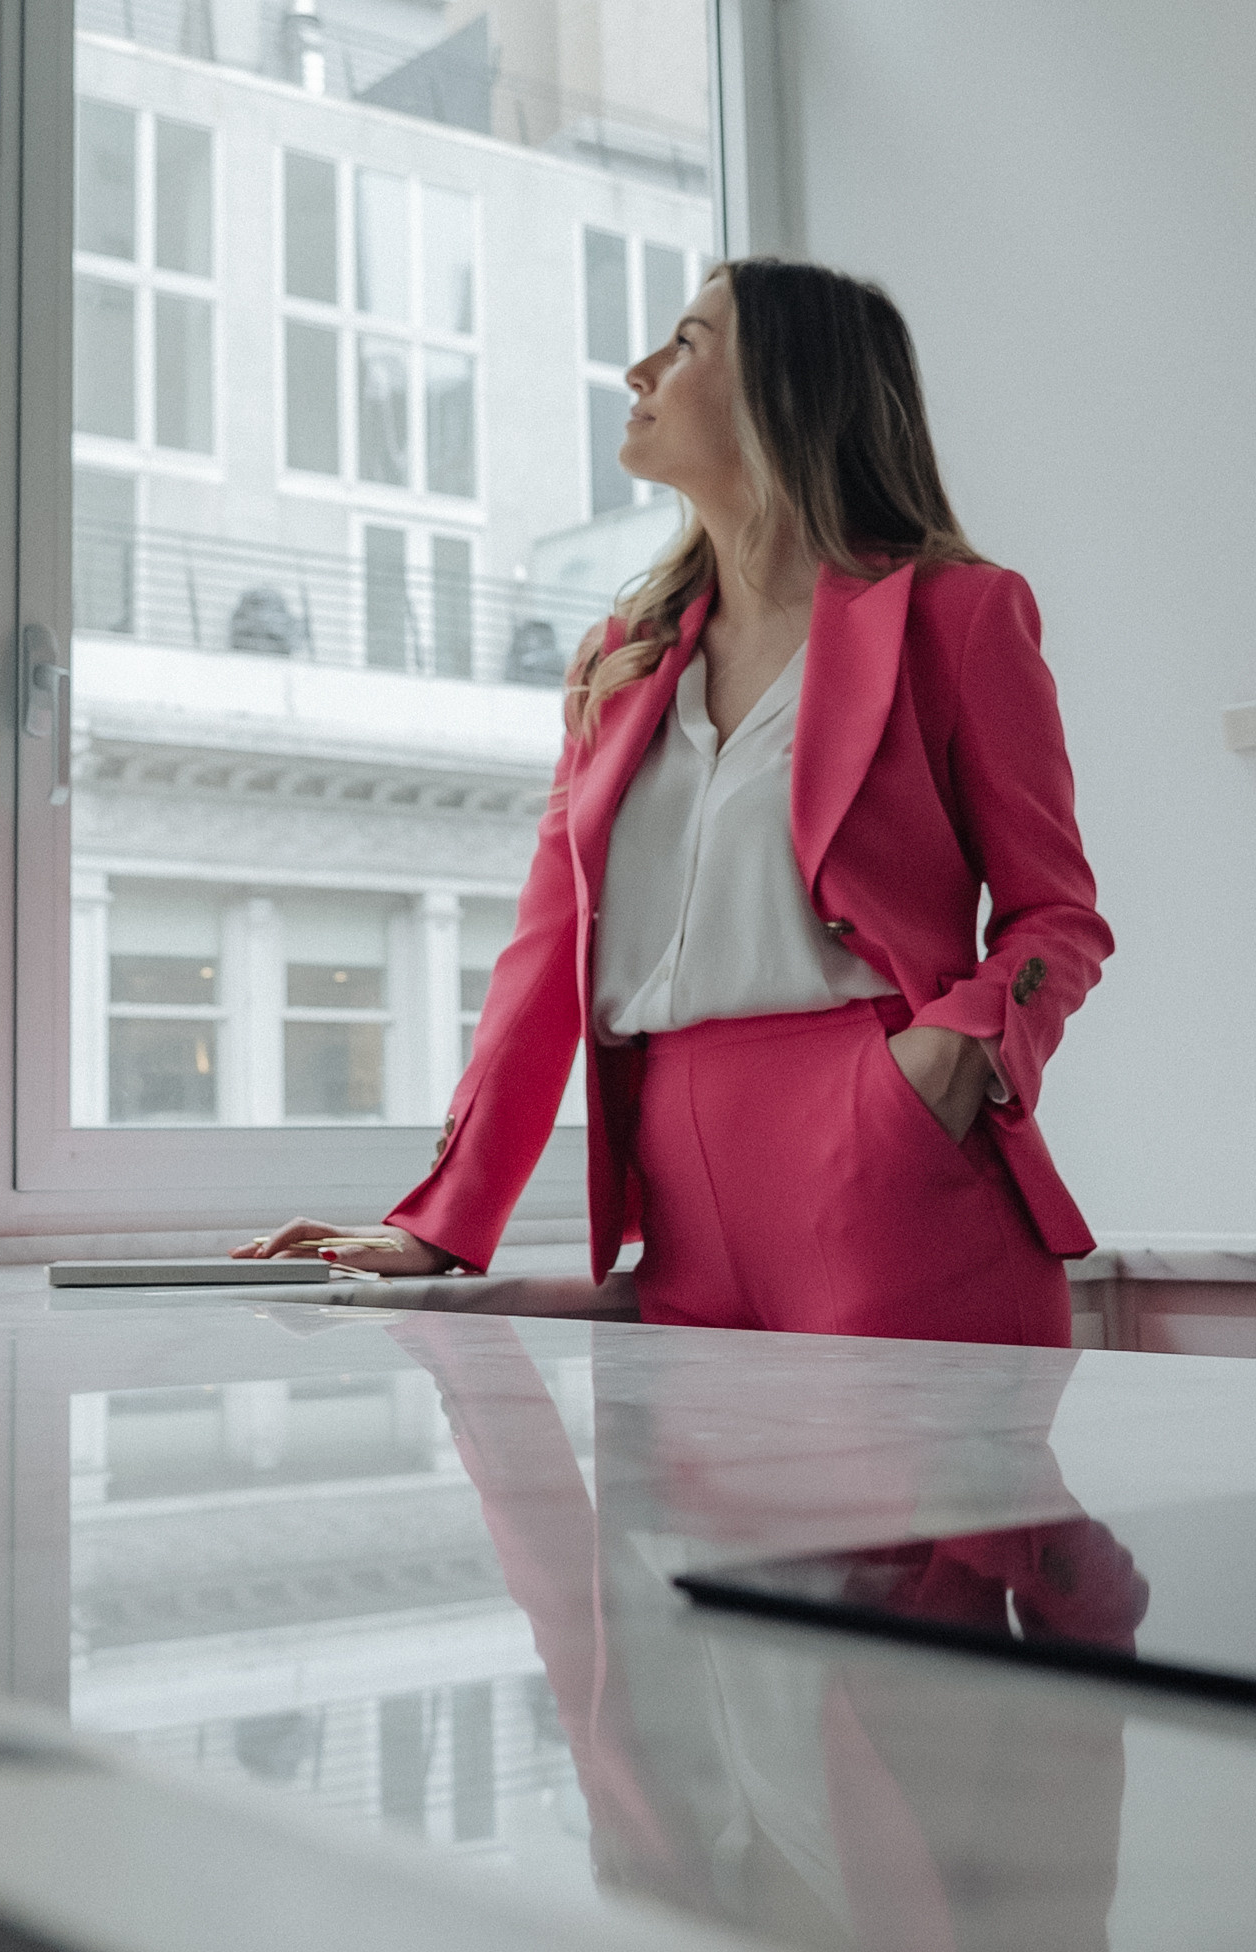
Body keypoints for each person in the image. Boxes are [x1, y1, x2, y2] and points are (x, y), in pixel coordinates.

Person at [236, 256, 1111, 1343]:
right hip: (679, 1202)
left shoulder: (957, 617)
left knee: (914, 1513)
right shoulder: (620, 659)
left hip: (889, 1154)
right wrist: (441, 1219)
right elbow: (542, 958)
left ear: (788, 390)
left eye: (686, 342)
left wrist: (955, 1049)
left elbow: (1055, 916)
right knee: (691, 1517)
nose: (638, 366)